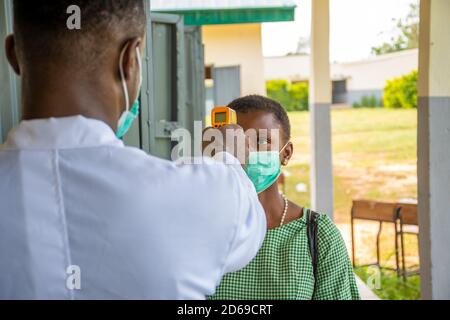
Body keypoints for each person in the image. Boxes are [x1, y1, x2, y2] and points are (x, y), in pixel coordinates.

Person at [0, 1, 266, 299]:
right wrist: (226, 156)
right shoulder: (211, 194)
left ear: (13, 54)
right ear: (130, 60)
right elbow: (246, 226)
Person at [210, 95, 360, 300]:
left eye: (261, 141)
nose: (246, 152)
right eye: (236, 143)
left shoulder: (317, 234)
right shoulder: (203, 228)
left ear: (286, 153)